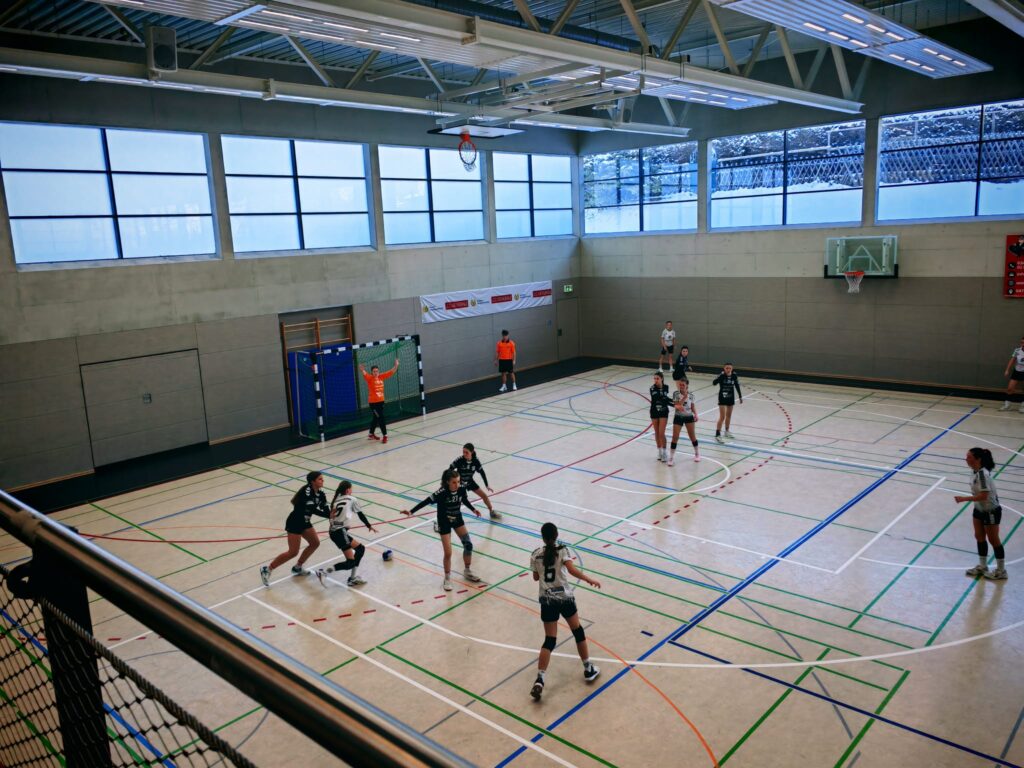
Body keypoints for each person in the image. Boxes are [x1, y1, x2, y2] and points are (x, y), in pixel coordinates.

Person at [529, 522, 601, 701]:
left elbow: (536, 577)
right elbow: (571, 570)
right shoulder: (562, 550)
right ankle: (588, 668)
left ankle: (540, 679)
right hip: (564, 598)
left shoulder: (535, 554)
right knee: (578, 631)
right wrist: (588, 579)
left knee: (550, 640)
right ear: (556, 535)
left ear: (542, 537)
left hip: (547, 600)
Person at [402, 469, 483, 591]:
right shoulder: (441, 492)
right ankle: (447, 578)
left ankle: (467, 571)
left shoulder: (461, 488)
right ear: (448, 482)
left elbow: (464, 499)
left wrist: (473, 509)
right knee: (448, 553)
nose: (457, 484)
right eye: (454, 482)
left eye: (458, 481)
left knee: (468, 545)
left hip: (457, 519)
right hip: (444, 522)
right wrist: (411, 511)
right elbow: (426, 501)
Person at [260, 471, 327, 586]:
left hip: (305, 522)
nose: (322, 481)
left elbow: (325, 508)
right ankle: (267, 569)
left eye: (322, 479)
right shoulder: (307, 491)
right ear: (312, 481)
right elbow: (313, 510)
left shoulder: (321, 494)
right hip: (295, 522)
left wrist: (332, 515)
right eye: (320, 479)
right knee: (293, 552)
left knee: (315, 543)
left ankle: (298, 567)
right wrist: (329, 516)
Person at [955, 448, 1007, 580]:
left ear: (978, 459)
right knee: (979, 536)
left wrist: (963, 499)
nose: (966, 459)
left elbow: (984, 496)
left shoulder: (983, 475)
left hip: (991, 511)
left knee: (993, 540)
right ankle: (983, 566)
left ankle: (1001, 570)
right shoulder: (974, 471)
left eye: (969, 457)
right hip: (978, 509)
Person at [315, 480, 377, 588]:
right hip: (339, 532)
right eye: (351, 489)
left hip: (336, 531)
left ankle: (352, 579)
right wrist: (369, 526)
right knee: (350, 562)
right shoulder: (352, 499)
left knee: (360, 549)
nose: (352, 491)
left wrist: (341, 525)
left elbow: (331, 518)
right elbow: (360, 514)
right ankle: (324, 572)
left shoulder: (336, 501)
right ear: (348, 490)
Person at [450, 443, 501, 520]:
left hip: (469, 481)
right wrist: (452, 481)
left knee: (484, 496)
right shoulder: (459, 460)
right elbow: (450, 469)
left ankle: (491, 512)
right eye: (463, 452)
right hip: (459, 483)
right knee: (457, 501)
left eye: (466, 452)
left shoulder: (475, 461)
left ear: (472, 452)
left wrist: (487, 485)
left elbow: (482, 472)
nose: (464, 454)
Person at [360, 358, 400, 443]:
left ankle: (371, 434)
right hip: (373, 404)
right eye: (374, 371)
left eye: (377, 371)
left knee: (376, 418)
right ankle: (385, 436)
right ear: (372, 372)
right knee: (381, 418)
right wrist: (362, 369)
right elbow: (364, 373)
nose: (376, 373)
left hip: (381, 402)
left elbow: (391, 372)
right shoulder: (369, 378)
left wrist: (396, 365)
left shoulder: (381, 377)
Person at [669, 377, 699, 466]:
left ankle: (697, 453)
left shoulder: (691, 395)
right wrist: (684, 397)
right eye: (680, 385)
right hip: (678, 417)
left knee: (692, 436)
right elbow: (677, 405)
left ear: (687, 385)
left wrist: (696, 414)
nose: (681, 386)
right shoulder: (676, 394)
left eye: (683, 385)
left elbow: (692, 406)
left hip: (689, 417)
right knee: (675, 437)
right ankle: (671, 458)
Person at [713, 363, 743, 443]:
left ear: (732, 369)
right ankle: (717, 434)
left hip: (730, 397)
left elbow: (737, 385)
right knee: (722, 417)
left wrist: (740, 396)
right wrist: (720, 377)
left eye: (730, 368)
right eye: (727, 368)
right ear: (724, 368)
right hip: (722, 397)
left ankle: (726, 431)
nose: (728, 369)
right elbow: (714, 383)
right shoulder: (722, 375)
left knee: (728, 416)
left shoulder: (734, 375)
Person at [649, 371, 671, 462]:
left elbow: (666, 399)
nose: (655, 380)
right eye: (654, 379)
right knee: (657, 433)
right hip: (654, 411)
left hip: (663, 411)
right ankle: (659, 451)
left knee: (661, 433)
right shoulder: (652, 388)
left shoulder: (666, 387)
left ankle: (664, 452)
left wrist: (675, 403)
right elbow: (659, 399)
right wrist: (673, 403)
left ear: (662, 379)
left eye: (657, 378)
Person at [999, 335, 1024, 413]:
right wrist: (1007, 370)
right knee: (1010, 388)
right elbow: (1012, 360)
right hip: (1017, 371)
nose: (1022, 344)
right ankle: (1007, 405)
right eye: (1021, 342)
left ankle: (1023, 406)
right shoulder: (1017, 350)